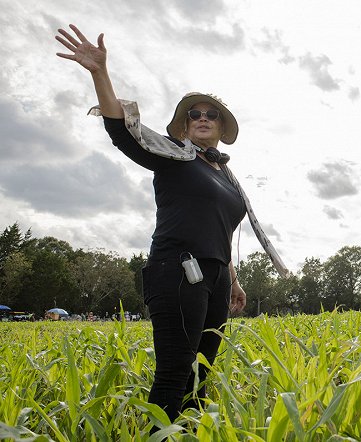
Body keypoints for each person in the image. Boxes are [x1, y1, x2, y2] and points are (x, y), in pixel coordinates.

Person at [55, 24, 289, 424]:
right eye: (194, 114)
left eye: (211, 116)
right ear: (182, 127)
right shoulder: (171, 156)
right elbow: (124, 133)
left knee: (201, 373)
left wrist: (232, 279)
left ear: (220, 128)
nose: (202, 118)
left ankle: (189, 432)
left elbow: (222, 230)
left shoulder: (226, 177)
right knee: (174, 374)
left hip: (214, 276)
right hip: (177, 268)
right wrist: (100, 73)